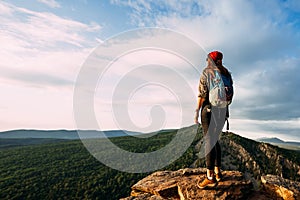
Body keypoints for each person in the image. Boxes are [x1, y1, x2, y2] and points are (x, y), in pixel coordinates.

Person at [194, 51, 233, 189]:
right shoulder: (227, 74)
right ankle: (218, 172)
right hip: (223, 111)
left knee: (209, 140)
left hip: (209, 110)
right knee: (215, 139)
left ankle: (209, 176)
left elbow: (202, 94)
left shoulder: (207, 73)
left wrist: (197, 111)